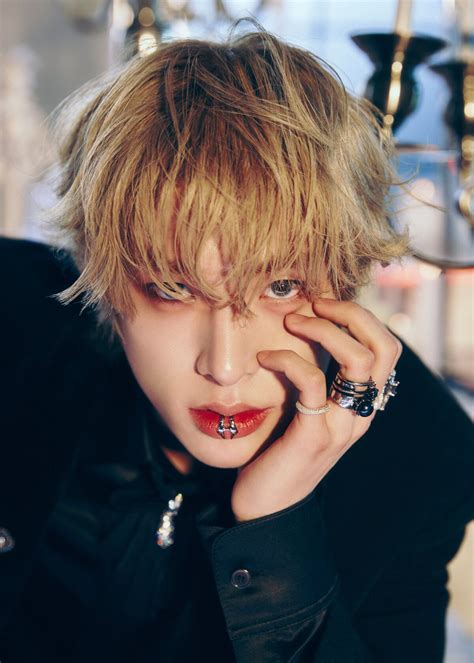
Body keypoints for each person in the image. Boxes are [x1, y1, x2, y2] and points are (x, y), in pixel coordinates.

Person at [0, 19, 473, 663]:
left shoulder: (423, 459)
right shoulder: (18, 326)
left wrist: (277, 530)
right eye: (171, 288)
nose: (224, 368)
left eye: (280, 285)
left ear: (350, 275)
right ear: (104, 280)